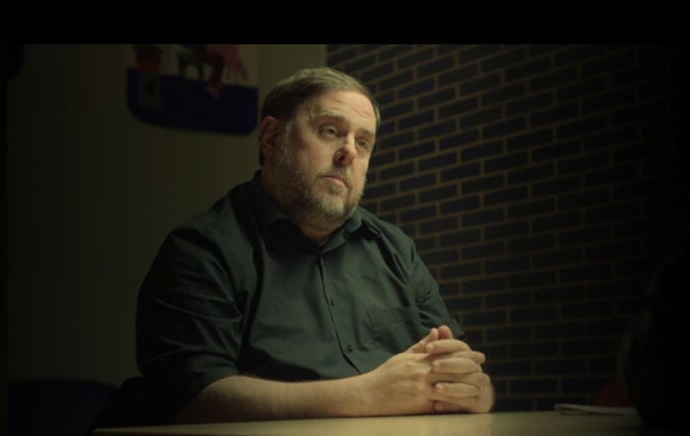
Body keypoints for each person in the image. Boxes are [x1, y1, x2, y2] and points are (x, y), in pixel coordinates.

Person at [94, 67, 494, 427]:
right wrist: (369, 394)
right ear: (272, 138)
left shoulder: (395, 248)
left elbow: (466, 372)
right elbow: (193, 399)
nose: (349, 152)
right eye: (330, 131)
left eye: (363, 142)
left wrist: (474, 391)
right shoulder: (202, 250)